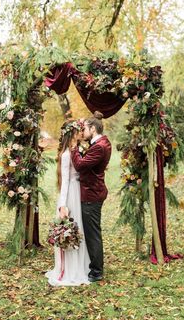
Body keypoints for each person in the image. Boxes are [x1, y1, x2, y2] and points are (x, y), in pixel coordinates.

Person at [46, 120, 90, 286]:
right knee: (72, 228)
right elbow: (65, 181)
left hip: (80, 191)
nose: (81, 133)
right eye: (78, 130)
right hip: (71, 193)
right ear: (72, 133)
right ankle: (70, 269)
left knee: (81, 229)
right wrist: (62, 205)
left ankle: (82, 266)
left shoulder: (77, 150)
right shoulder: (66, 155)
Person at [70, 111, 112, 282]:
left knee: (92, 233)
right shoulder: (101, 143)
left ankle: (96, 271)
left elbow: (80, 165)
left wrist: (73, 148)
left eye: (85, 129)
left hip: (92, 194)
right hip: (93, 191)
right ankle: (94, 266)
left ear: (93, 129)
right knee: (93, 231)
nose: (83, 132)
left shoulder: (99, 147)